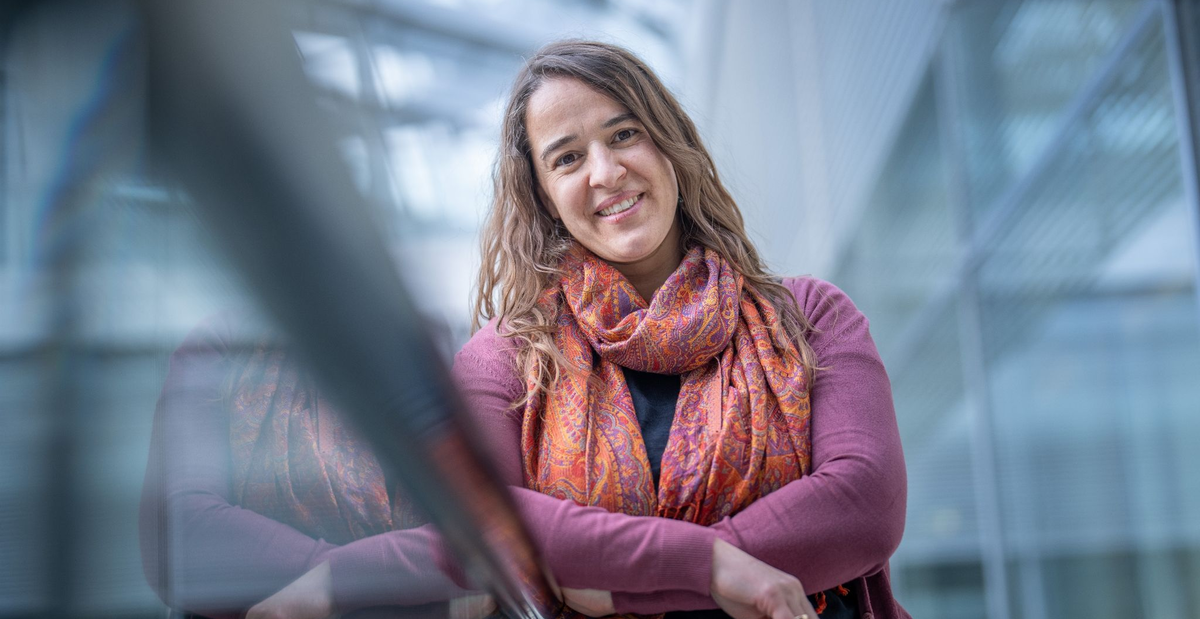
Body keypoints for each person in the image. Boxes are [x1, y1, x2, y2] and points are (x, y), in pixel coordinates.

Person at [452, 40, 910, 619]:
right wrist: (715, 569)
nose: (607, 172)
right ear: (542, 194)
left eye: (624, 135)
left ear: (670, 144)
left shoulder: (812, 316)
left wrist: (625, 578)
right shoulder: (506, 358)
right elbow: (477, 518)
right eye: (567, 158)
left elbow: (866, 503)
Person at [138, 314, 488, 619]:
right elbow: (185, 531)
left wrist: (334, 582)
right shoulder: (223, 343)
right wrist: (364, 578)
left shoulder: (423, 345)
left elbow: (476, 535)